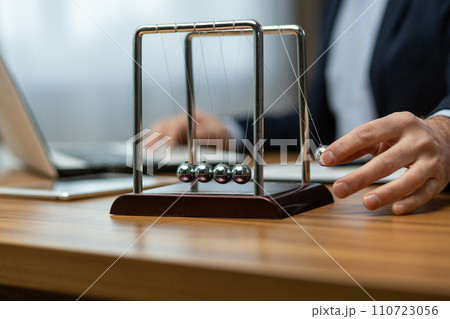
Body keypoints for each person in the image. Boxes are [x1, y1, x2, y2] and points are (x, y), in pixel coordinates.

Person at [151, 0, 450, 215]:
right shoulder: (335, 5)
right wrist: (229, 131)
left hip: (426, 207)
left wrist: (444, 130)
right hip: (344, 211)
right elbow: (320, 128)